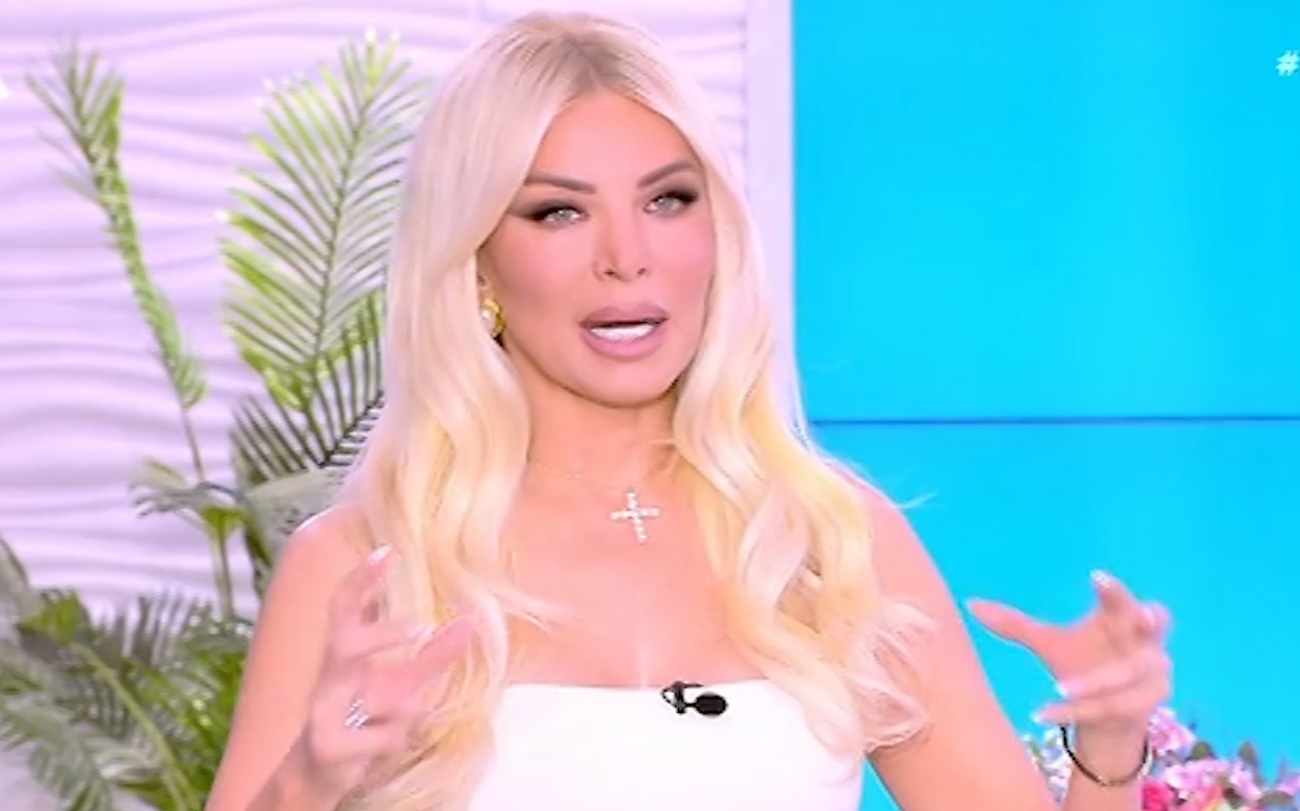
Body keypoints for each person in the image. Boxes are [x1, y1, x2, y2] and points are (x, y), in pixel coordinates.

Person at [204, 10, 1173, 811]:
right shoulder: (368, 563)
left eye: (668, 200)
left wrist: (1109, 742)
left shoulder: (828, 539)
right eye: (558, 211)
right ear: (477, 263)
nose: (628, 257)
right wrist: (310, 781)